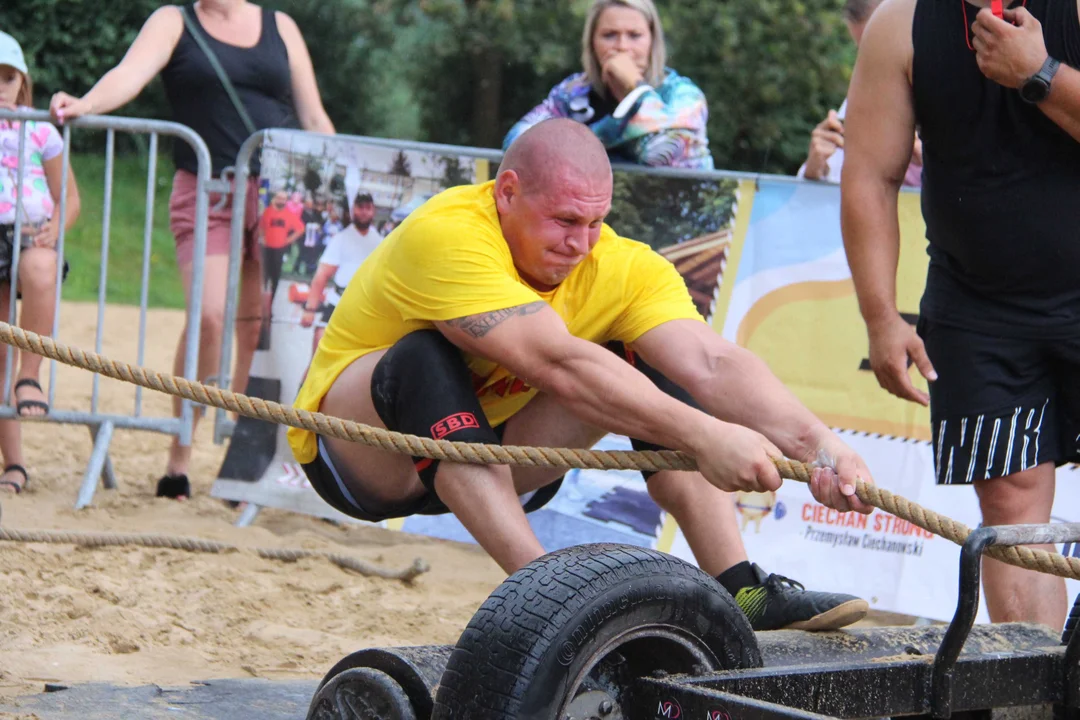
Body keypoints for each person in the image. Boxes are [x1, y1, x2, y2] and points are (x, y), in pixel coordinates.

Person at [290, 118, 877, 632]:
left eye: (596, 222)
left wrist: (819, 443)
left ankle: (741, 588)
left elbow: (712, 361)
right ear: (507, 193)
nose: (581, 243)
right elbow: (557, 364)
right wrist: (706, 436)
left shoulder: (622, 265)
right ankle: (544, 593)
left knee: (646, 352)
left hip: (500, 458)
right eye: (565, 220)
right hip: (363, 459)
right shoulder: (447, 234)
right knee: (422, 355)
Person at [841, 0, 1080, 631]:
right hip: (977, 306)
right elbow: (870, 173)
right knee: (1011, 507)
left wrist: (1042, 72)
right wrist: (881, 315)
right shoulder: (902, 23)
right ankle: (1035, 694)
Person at [48, 0, 336, 499]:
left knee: (257, 326)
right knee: (209, 315)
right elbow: (129, 74)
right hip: (207, 189)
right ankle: (180, 453)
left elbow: (314, 116)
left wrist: (341, 179)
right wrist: (86, 104)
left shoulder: (280, 26)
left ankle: (239, 462)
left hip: (280, 196)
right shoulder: (172, 21)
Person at [0, 31, 81, 493]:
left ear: (22, 84)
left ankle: (30, 376)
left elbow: (67, 196)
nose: (0, 86)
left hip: (31, 234)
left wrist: (57, 226)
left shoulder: (41, 130)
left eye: (8, 77)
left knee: (41, 267)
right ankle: (14, 464)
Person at [502, 0, 713, 170]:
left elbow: (660, 153)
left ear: (652, 41)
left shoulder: (684, 95)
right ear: (592, 43)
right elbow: (517, 144)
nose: (622, 47)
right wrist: (614, 129)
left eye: (635, 35)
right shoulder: (573, 94)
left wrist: (635, 90)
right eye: (609, 35)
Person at [798, 0, 923, 187]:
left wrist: (929, 160)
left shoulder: (958, 88)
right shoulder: (862, 99)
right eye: (863, 53)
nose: (873, 66)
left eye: (881, 49)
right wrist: (815, 173)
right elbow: (834, 182)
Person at [300, 192, 383, 355]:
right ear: (353, 210)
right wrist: (310, 309)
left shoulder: (381, 242)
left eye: (368, 208)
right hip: (337, 303)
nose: (364, 212)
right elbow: (322, 275)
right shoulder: (340, 238)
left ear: (373, 211)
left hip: (365, 308)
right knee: (319, 343)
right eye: (360, 207)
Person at [260, 190, 304, 310]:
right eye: (279, 198)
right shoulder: (267, 212)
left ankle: (270, 304)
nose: (281, 201)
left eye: (284, 199)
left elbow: (300, 229)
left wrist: (289, 240)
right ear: (275, 198)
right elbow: (260, 226)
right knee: (263, 276)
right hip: (266, 248)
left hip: (279, 249)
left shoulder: (289, 215)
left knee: (275, 277)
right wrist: (262, 237)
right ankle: (260, 302)